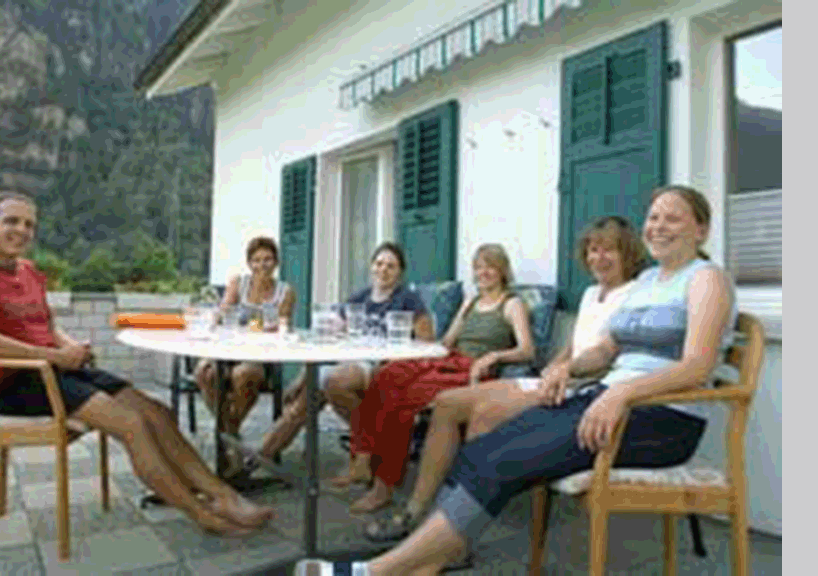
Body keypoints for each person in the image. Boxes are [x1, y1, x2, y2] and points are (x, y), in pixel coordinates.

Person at [296, 185, 737, 575]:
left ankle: (380, 571)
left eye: (673, 218)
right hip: (607, 401)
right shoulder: (647, 281)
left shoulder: (707, 279)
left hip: (663, 418)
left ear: (701, 229)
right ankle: (428, 560)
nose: (658, 226)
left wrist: (621, 393)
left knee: (503, 459)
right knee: (483, 449)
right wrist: (567, 368)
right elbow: (606, 349)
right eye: (654, 217)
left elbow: (697, 366)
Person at [0, 190, 275, 538]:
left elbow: (47, 327)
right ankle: (201, 514)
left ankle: (224, 497)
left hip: (55, 371)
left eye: (29, 224)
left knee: (158, 413)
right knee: (132, 424)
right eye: (11, 221)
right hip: (15, 383)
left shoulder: (27, 271)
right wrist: (56, 356)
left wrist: (71, 347)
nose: (22, 230)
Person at [363, 215, 648, 542]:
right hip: (557, 380)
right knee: (445, 403)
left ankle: (454, 535)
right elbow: (573, 347)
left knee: (483, 414)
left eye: (609, 250)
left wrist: (560, 371)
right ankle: (416, 512)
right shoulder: (591, 293)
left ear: (627, 252)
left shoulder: (635, 294)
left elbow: (608, 354)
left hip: (588, 390)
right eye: (593, 250)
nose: (599, 258)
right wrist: (554, 367)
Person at [338, 243, 537, 514]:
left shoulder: (511, 303)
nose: (483, 272)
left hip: (474, 370)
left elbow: (527, 350)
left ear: (502, 270)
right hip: (448, 359)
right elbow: (446, 342)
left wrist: (495, 356)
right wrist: (415, 356)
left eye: (490, 267)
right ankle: (363, 458)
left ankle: (384, 486)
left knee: (403, 403)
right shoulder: (470, 302)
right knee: (385, 377)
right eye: (478, 267)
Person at [232, 242, 434, 477]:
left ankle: (369, 447)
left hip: (384, 366)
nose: (383, 270)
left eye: (391, 266)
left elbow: (426, 343)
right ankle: (254, 463)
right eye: (379, 264)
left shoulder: (408, 299)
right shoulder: (360, 297)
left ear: (400, 271)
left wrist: (394, 362)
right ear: (371, 267)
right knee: (300, 406)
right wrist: (300, 379)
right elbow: (327, 338)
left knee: (333, 382)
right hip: (352, 361)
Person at [193, 236, 296, 476]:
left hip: (261, 354)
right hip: (229, 349)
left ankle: (227, 437)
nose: (262, 265)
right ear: (249, 263)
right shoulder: (238, 283)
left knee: (246, 375)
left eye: (268, 259)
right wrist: (218, 317)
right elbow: (223, 313)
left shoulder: (285, 291)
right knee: (204, 371)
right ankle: (233, 437)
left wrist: (258, 328)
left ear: (276, 262)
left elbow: (282, 326)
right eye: (256, 260)